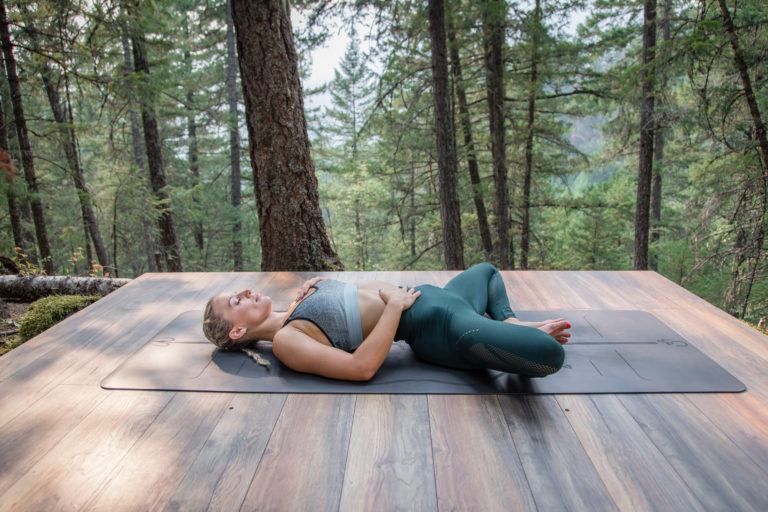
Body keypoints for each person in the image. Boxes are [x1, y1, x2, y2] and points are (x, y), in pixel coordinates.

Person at [202, 262, 570, 381]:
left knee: (486, 270)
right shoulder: (287, 340)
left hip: (438, 296)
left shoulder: (298, 300)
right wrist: (394, 306)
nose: (247, 291)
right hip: (439, 327)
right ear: (237, 331)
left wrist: (317, 288)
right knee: (549, 354)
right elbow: (360, 368)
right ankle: (512, 333)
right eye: (236, 300)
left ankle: (512, 323)